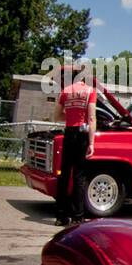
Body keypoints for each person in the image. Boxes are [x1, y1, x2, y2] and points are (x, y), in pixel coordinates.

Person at [52, 61, 97, 226]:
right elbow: (91, 118)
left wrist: (69, 118)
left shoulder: (65, 91)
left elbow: (56, 116)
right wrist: (91, 143)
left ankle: (60, 216)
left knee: (64, 175)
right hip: (82, 133)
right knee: (79, 176)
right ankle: (78, 216)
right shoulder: (89, 91)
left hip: (69, 133)